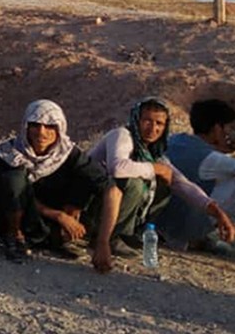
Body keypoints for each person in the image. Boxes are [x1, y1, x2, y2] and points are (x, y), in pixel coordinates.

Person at [89, 97, 235, 261]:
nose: (153, 129)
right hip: (90, 204)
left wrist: (217, 212)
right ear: (136, 119)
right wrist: (155, 169)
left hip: (112, 208)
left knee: (165, 184)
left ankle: (129, 234)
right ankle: (110, 237)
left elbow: (183, 185)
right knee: (134, 183)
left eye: (159, 124)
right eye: (147, 121)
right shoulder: (122, 135)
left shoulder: (158, 149)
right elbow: (117, 168)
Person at [0, 100, 121, 270]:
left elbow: (113, 190)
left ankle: (74, 237)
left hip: (48, 217)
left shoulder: (67, 153)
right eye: (35, 125)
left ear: (60, 129)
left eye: (49, 126)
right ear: (26, 127)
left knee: (87, 179)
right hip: (16, 215)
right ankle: (15, 237)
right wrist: (58, 216)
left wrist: (103, 242)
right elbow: (12, 192)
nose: (41, 133)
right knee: (15, 179)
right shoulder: (8, 153)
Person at [158, 99, 235, 257]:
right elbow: (216, 161)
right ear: (217, 128)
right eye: (229, 128)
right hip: (181, 229)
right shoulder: (212, 159)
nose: (230, 134)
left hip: (161, 223)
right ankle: (201, 238)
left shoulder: (176, 139)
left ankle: (207, 238)